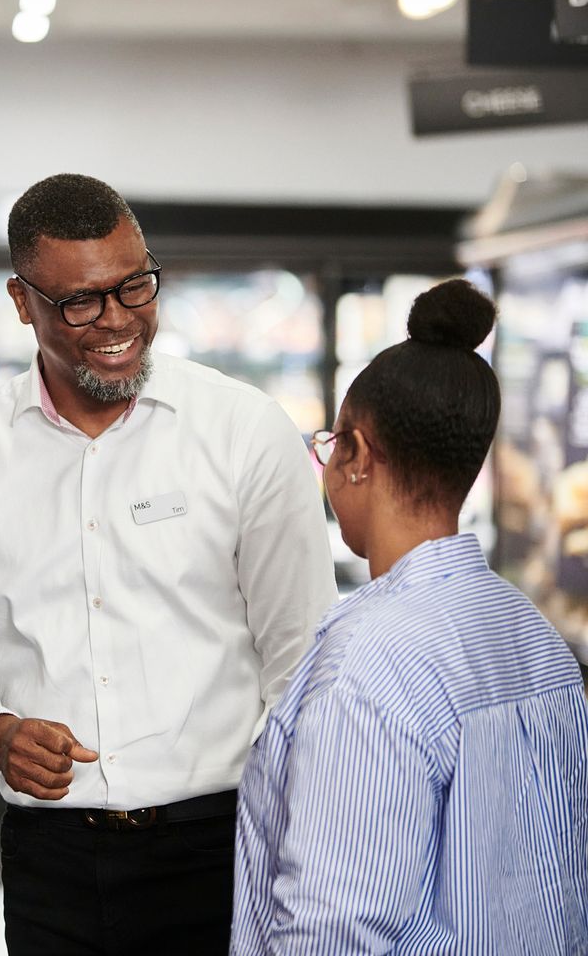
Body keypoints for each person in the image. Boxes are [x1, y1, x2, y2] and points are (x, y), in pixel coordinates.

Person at [0, 173, 337, 954]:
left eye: (136, 286)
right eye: (82, 302)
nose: (119, 321)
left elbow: (302, 659)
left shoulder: (244, 431)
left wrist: (302, 845)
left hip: (224, 843)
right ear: (23, 302)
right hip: (50, 859)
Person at [232, 279, 588, 952]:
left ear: (358, 456)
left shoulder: (370, 657)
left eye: (331, 443)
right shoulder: (533, 635)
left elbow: (333, 927)